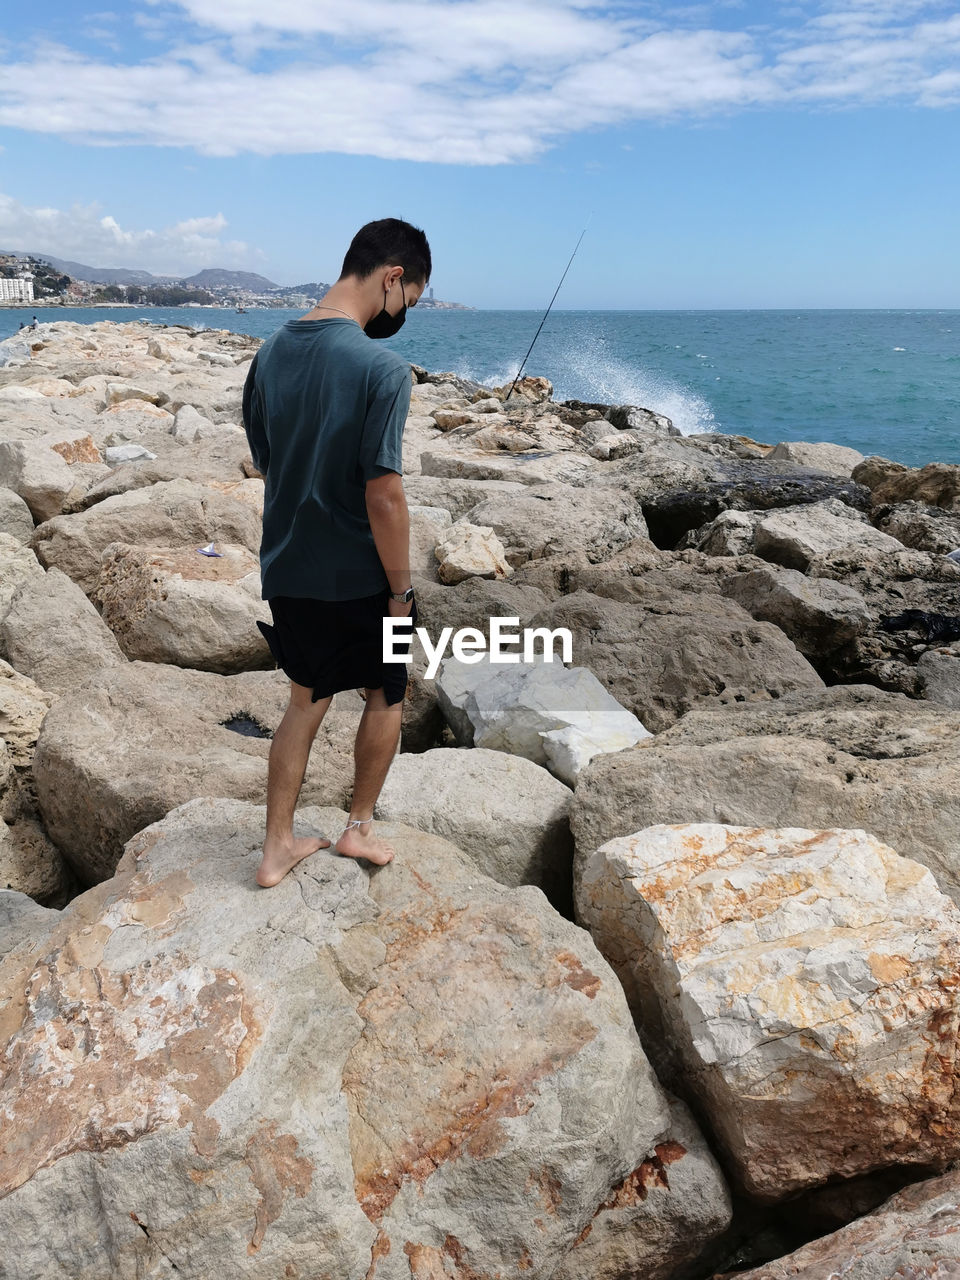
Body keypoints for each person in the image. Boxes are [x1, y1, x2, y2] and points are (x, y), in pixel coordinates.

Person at [242, 217, 430, 887]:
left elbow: (267, 461)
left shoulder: (269, 354)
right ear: (392, 277)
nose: (405, 314)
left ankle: (276, 847)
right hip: (358, 576)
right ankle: (356, 830)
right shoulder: (381, 368)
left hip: (288, 564)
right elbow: (385, 495)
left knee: (305, 700)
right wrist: (401, 592)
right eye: (410, 300)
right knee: (384, 696)